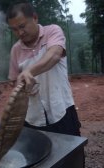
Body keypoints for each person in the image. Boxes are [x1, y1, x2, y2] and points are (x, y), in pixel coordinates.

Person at [6, 1, 81, 136]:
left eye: (22, 26)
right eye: (15, 30)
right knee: (35, 154)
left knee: (71, 153)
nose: (20, 33)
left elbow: (55, 55)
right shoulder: (16, 50)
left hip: (61, 109)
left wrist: (29, 72)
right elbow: (13, 81)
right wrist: (21, 87)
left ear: (35, 17)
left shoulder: (52, 31)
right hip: (32, 116)